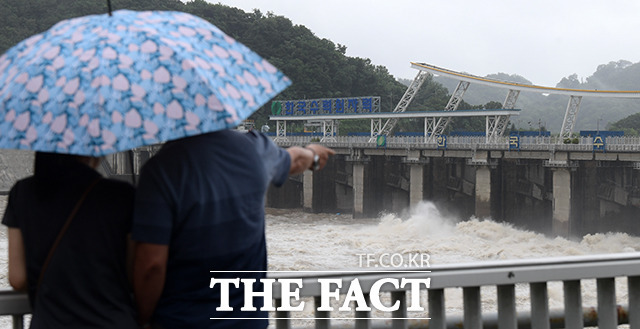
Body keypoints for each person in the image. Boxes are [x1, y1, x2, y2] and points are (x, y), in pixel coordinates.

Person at [133, 129, 334, 329]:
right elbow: (296, 159)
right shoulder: (255, 147)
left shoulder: (162, 169)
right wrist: (314, 155)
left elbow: (152, 266)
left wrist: (142, 319)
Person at [3, 152, 138, 329]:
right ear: (90, 151)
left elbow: (18, 278)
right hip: (112, 321)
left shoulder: (22, 193)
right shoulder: (121, 194)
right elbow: (135, 273)